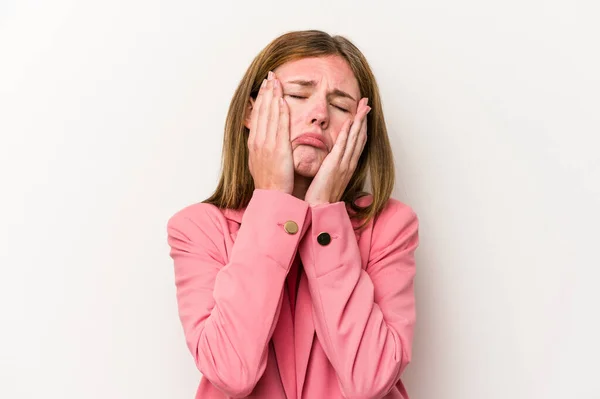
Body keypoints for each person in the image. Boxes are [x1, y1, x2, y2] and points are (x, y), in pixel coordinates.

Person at [166, 29, 420, 399]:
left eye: (341, 106)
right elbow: (231, 371)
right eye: (299, 95)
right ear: (252, 111)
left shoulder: (390, 226)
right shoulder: (197, 229)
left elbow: (371, 380)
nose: (319, 115)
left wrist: (325, 215)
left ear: (360, 131)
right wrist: (272, 201)